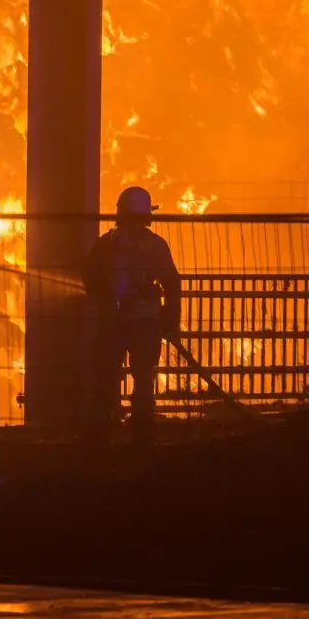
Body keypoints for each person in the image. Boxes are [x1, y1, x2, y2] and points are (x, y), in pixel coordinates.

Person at [83, 186, 183, 447]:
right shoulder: (156, 245)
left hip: (112, 321)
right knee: (142, 378)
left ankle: (100, 434)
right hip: (146, 323)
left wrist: (105, 297)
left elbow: (89, 280)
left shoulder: (107, 244)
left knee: (106, 377)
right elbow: (172, 282)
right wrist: (170, 320)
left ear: (120, 212)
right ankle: (143, 435)